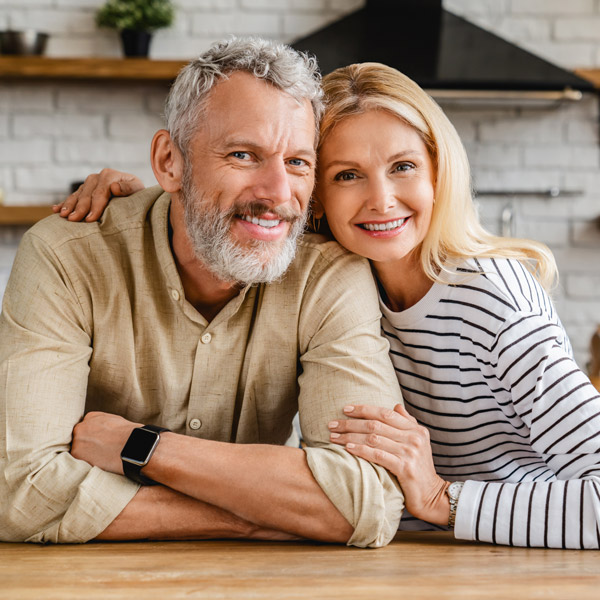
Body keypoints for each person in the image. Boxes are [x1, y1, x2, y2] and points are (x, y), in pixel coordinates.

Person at [69, 62, 600, 549]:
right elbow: (235, 211)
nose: (381, 199)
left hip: (513, 565)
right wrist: (149, 202)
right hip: (394, 558)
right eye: (347, 175)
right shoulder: (331, 277)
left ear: (440, 172)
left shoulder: (492, 299)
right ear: (314, 191)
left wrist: (443, 500)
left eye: (404, 166)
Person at [0, 39, 406, 546]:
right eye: (243, 154)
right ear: (170, 161)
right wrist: (259, 516)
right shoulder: (68, 257)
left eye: (299, 163)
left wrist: (141, 448)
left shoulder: (327, 274)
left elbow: (367, 502)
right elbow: (20, 491)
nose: (279, 194)